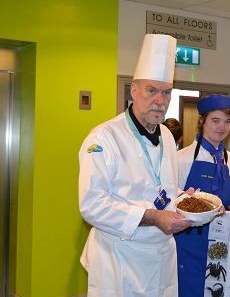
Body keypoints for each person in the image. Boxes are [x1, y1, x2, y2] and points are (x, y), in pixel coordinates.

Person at [78, 34, 192, 296]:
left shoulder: (165, 134)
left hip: (162, 253)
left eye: (166, 93)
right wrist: (153, 216)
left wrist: (183, 201)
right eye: (152, 90)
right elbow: (92, 205)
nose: (160, 100)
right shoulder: (103, 137)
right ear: (134, 90)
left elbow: (163, 189)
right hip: (120, 256)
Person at [174, 94, 230, 297]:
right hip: (189, 245)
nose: (222, 127)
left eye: (227, 121)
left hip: (221, 246)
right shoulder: (182, 158)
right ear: (201, 120)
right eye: (215, 120)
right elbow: (171, 201)